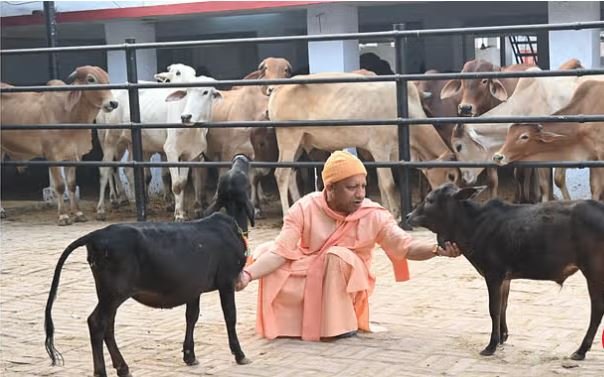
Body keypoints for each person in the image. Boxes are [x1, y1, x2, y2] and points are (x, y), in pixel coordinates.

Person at [236, 150, 461, 341]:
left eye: (363, 186)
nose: (360, 194)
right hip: (310, 266)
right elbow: (280, 251)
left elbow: (405, 246)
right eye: (352, 187)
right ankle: (289, 325)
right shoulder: (304, 208)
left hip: (347, 275)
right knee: (263, 251)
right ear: (331, 188)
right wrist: (247, 274)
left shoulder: (373, 214)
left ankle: (339, 326)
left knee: (337, 255)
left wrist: (436, 250)